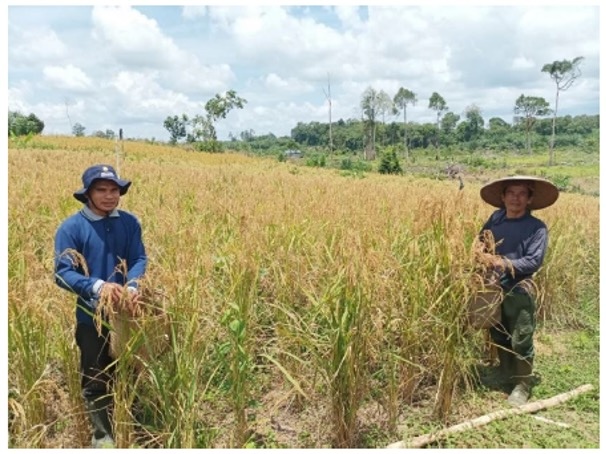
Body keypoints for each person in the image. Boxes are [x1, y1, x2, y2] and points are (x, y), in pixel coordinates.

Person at [54, 164, 147, 448]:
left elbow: (138, 258)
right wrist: (97, 286)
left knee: (129, 371)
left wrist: (133, 286)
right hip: (90, 315)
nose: (109, 196)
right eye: (101, 190)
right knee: (95, 375)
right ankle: (103, 437)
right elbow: (63, 273)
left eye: (114, 190)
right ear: (88, 194)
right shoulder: (71, 228)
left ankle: (132, 427)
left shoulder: (129, 223)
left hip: (127, 315)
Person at [477, 175, 558, 406]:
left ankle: (523, 384)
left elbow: (533, 261)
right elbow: (480, 243)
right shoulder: (495, 220)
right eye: (511, 193)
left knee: (521, 337)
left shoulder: (536, 228)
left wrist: (501, 263)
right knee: (498, 332)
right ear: (503, 197)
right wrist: (481, 257)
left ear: (530, 199)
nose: (516, 198)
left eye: (522, 193)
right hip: (493, 288)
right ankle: (506, 373)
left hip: (519, 290)